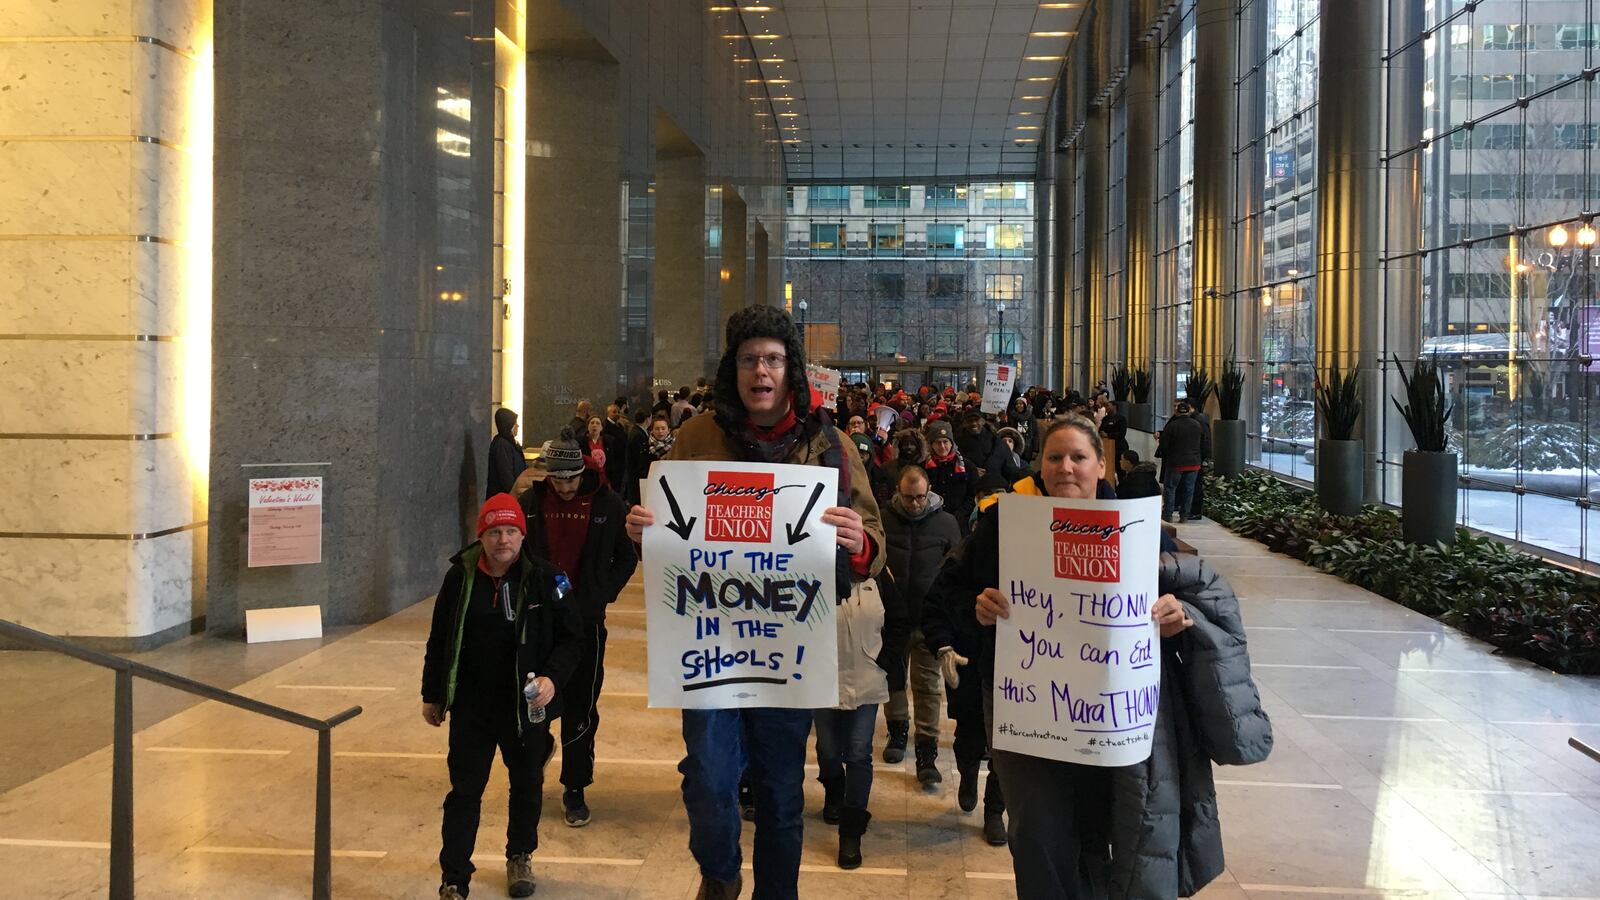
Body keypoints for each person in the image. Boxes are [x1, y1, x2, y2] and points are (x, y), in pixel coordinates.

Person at [925, 416, 1272, 897]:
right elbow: (947, 595)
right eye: (1054, 457)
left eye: (1078, 457)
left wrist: (1178, 616)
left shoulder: (1136, 527)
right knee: (1040, 837)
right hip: (1029, 714)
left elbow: (1190, 594)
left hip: (1114, 717)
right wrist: (977, 610)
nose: (1066, 468)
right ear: (1039, 465)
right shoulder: (1006, 524)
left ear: (1101, 464)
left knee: (1114, 832)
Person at [624, 305, 885, 900]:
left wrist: (859, 541)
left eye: (772, 359)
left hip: (789, 651)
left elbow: (874, 539)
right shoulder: (696, 437)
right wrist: (642, 530)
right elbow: (667, 532)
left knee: (780, 793)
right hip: (709, 650)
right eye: (749, 359)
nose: (760, 371)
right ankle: (719, 875)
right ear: (733, 368)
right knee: (710, 781)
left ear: (790, 368)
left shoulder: (832, 446)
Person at [421, 494, 585, 900]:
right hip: (472, 707)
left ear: (522, 535)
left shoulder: (547, 577)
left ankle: (519, 855)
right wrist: (433, 694)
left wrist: (552, 678)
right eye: (494, 532)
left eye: (511, 531)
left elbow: (572, 638)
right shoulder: (459, 577)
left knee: (527, 784)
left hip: (526, 708)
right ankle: (455, 877)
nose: (503, 540)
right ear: (482, 535)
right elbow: (440, 638)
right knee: (464, 791)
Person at [518, 432, 637, 828]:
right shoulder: (531, 503)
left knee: (581, 707)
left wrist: (603, 594)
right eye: (557, 480)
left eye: (570, 479)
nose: (565, 487)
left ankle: (575, 786)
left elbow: (627, 556)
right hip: (538, 623)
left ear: (582, 471)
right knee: (532, 703)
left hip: (586, 623)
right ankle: (530, 772)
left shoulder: (607, 504)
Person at [813, 570, 908, 870]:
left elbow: (899, 620)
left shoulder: (880, 577)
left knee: (857, 752)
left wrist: (887, 658)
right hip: (823, 678)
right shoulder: (813, 567)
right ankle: (833, 790)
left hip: (867, 679)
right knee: (828, 748)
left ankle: (851, 832)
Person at [879, 465, 963, 782]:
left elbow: (955, 571)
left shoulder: (946, 523)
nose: (914, 504)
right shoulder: (884, 521)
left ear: (929, 493)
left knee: (928, 687)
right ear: (898, 493)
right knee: (892, 679)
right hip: (893, 617)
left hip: (929, 620)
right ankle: (897, 730)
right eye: (908, 497)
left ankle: (926, 750)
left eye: (919, 497)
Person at [1157, 400, 1208, 523]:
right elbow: (1203, 443)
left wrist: (1164, 453)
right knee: (1189, 490)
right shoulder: (1197, 425)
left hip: (1176, 462)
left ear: (1178, 412)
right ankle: (1184, 515)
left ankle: (1168, 514)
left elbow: (1164, 445)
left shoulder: (1172, 426)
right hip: (1194, 463)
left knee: (1170, 488)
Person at [923, 420, 973, 532]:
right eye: (937, 442)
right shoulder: (923, 467)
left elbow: (973, 494)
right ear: (931, 444)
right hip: (931, 521)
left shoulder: (967, 466)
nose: (942, 446)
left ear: (951, 443)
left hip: (960, 522)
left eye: (945, 441)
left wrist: (960, 514)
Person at [486, 408, 527, 499]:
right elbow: (506, 477)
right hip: (504, 500)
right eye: (515, 423)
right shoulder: (501, 445)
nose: (518, 426)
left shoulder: (511, 443)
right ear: (509, 425)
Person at [581, 416, 619, 491]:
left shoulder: (609, 441)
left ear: (602, 428)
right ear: (587, 426)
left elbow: (613, 461)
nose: (594, 425)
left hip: (606, 479)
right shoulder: (581, 442)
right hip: (589, 479)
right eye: (592, 423)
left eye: (598, 423)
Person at [624, 409, 651, 506]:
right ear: (648, 419)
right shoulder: (638, 435)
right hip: (637, 478)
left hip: (635, 476)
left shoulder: (637, 431)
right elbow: (639, 459)